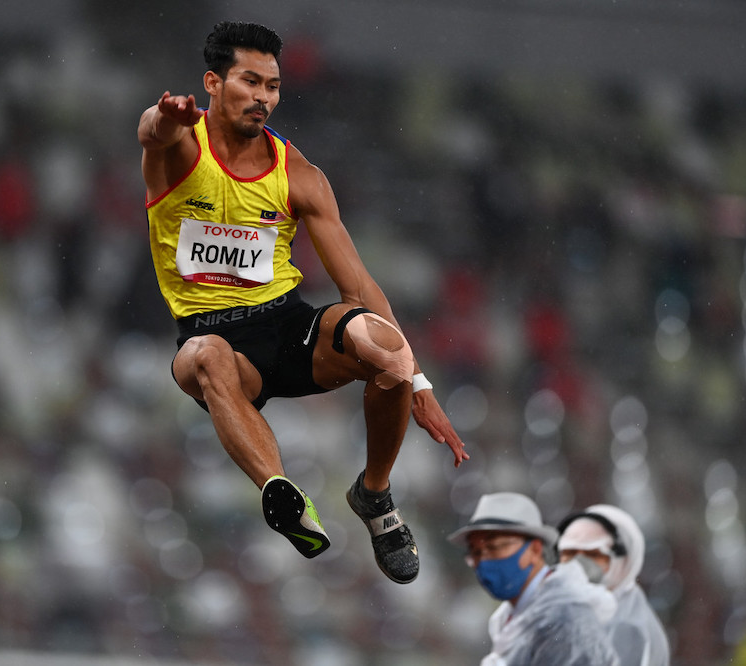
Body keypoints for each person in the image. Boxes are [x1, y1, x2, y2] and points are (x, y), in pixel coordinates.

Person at [137, 20, 468, 584]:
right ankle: (281, 494)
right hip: (214, 340)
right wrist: (162, 117)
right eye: (250, 81)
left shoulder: (300, 175)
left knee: (388, 348)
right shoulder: (179, 146)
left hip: (287, 327)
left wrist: (417, 380)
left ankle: (375, 495)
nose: (263, 97)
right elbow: (151, 132)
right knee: (205, 354)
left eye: (272, 85)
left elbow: (358, 288)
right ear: (212, 83)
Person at [448, 492, 620, 665]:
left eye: (494, 547)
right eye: (476, 552)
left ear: (535, 550)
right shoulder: (517, 615)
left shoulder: (564, 619)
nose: (483, 561)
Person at [557, 505, 671, 666]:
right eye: (569, 553)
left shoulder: (628, 627)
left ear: (626, 560)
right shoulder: (577, 611)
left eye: (593, 554)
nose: (578, 565)